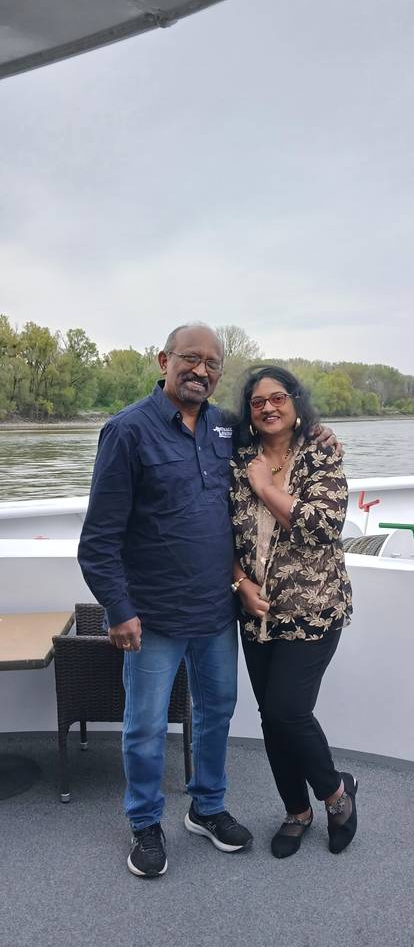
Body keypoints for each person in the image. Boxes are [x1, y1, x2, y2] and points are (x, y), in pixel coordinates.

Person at [78, 324, 340, 878]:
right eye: (190, 359)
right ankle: (146, 821)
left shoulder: (225, 428)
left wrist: (322, 436)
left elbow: (283, 433)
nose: (201, 370)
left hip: (217, 613)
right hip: (150, 616)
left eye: (212, 363)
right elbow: (98, 541)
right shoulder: (127, 431)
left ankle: (207, 806)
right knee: (146, 724)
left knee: (216, 714)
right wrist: (118, 609)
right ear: (163, 360)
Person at [230, 366, 356, 859]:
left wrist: (264, 485)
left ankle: (336, 794)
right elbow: (222, 530)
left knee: (288, 709)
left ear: (296, 403)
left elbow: (323, 526)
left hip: (314, 609)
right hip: (256, 612)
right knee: (270, 717)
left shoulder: (321, 453)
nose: (267, 407)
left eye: (277, 397)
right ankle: (296, 810)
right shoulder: (237, 458)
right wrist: (239, 582)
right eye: (257, 401)